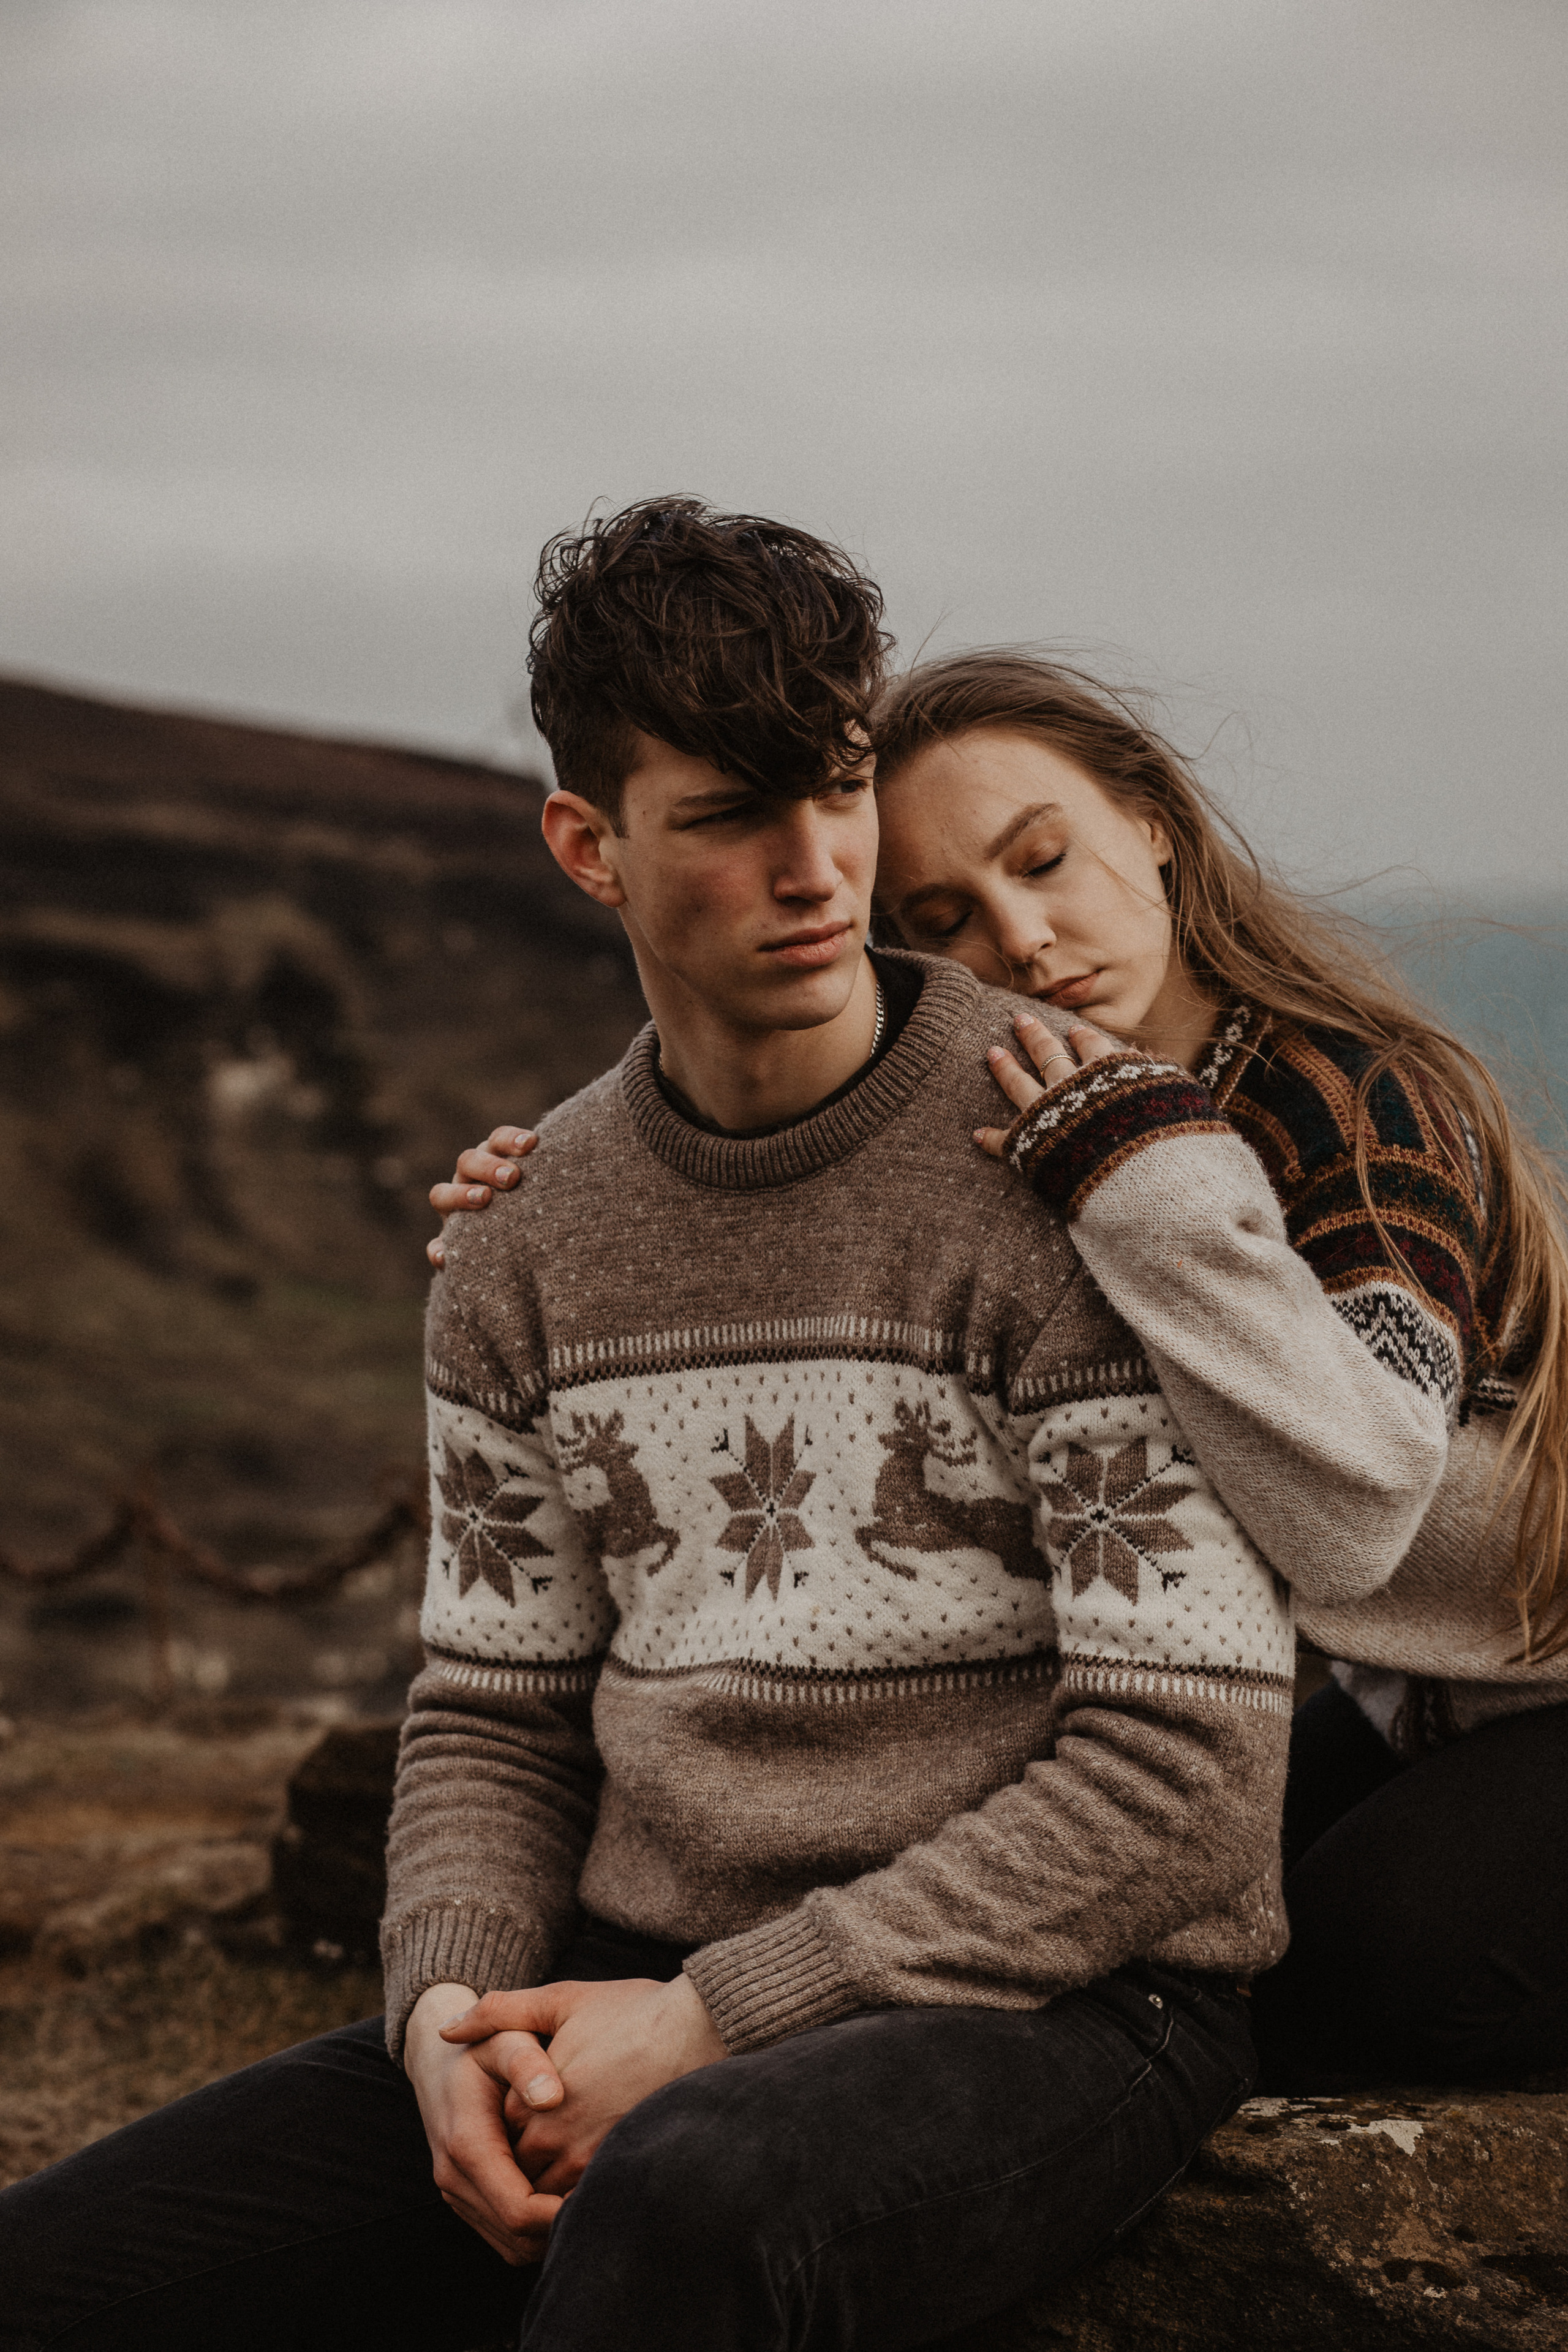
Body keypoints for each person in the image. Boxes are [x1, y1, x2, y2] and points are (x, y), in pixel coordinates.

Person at [2, 499, 1399, 2352]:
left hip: (1070, 2002)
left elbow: (1187, 1776)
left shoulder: (1086, 1168)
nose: (820, 867)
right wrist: (447, 2017)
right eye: (734, 817)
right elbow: (494, 1711)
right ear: (590, 846)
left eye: (833, 791)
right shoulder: (523, 1247)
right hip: (627, 1980)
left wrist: (724, 2017)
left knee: (689, 2204)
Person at [434, 646, 1568, 2095]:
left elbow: (1355, 1505)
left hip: (1536, 1687)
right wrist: (555, 1210)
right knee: (1190, 1956)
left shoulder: (1338, 1103)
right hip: (1421, 1703)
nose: (1025, 940)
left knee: (1358, 1992)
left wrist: (1136, 1182)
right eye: (940, 918)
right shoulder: (1014, 1124)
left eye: (1045, 861)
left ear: (1151, 824)